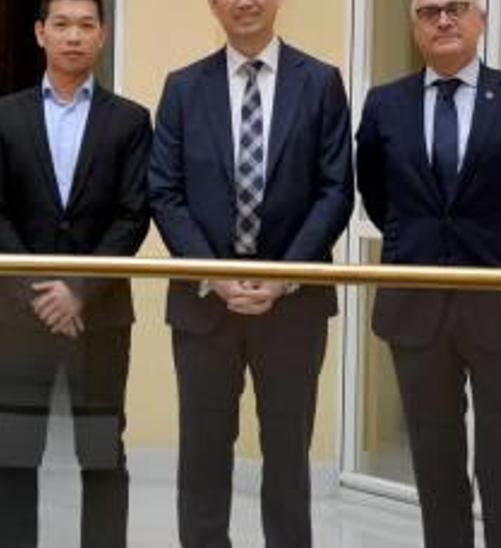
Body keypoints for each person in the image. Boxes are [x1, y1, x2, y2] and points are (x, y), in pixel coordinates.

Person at [356, 1, 501, 546]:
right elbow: (378, 196)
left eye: (456, 8)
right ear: (414, 24)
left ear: (480, 18)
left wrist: (495, 250)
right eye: (428, 11)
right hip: (415, 310)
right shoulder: (385, 105)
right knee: (434, 461)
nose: (443, 20)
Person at [147, 0, 354, 545]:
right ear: (213, 5)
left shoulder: (321, 83)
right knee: (202, 457)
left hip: (294, 305)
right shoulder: (183, 88)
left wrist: (284, 275)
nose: (245, 2)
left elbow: (336, 191)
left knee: (288, 457)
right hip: (203, 305)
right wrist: (213, 273)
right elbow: (164, 194)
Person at [0, 0, 152, 546]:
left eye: (86, 25)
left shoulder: (130, 119)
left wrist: (77, 291)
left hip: (100, 316)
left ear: (102, 35)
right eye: (61, 25)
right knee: (16, 449)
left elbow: (132, 214)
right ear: (39, 33)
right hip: (18, 315)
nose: (73, 36)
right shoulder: (4, 114)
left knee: (101, 451)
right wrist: (41, 292)